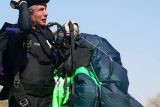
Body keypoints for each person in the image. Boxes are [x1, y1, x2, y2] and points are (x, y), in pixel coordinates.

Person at [0, 0, 68, 107]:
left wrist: (65, 37)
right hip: (23, 100)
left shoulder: (47, 34)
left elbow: (58, 61)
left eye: (45, 9)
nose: (46, 13)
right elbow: (25, 27)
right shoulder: (14, 31)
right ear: (29, 13)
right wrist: (22, 4)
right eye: (41, 9)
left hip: (47, 100)